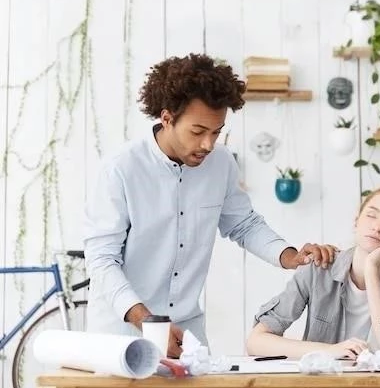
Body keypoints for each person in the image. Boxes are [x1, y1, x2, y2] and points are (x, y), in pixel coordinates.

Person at [83, 53, 336, 358]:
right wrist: (148, 323)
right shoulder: (120, 170)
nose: (208, 144)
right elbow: (101, 260)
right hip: (123, 331)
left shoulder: (222, 164)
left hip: (187, 331)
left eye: (216, 132)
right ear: (167, 118)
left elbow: (243, 224)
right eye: (198, 131)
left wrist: (290, 256)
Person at [246, 180, 380, 359]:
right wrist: (328, 351)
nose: (377, 227)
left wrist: (371, 268)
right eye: (371, 215)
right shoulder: (319, 267)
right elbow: (256, 342)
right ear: (357, 221)